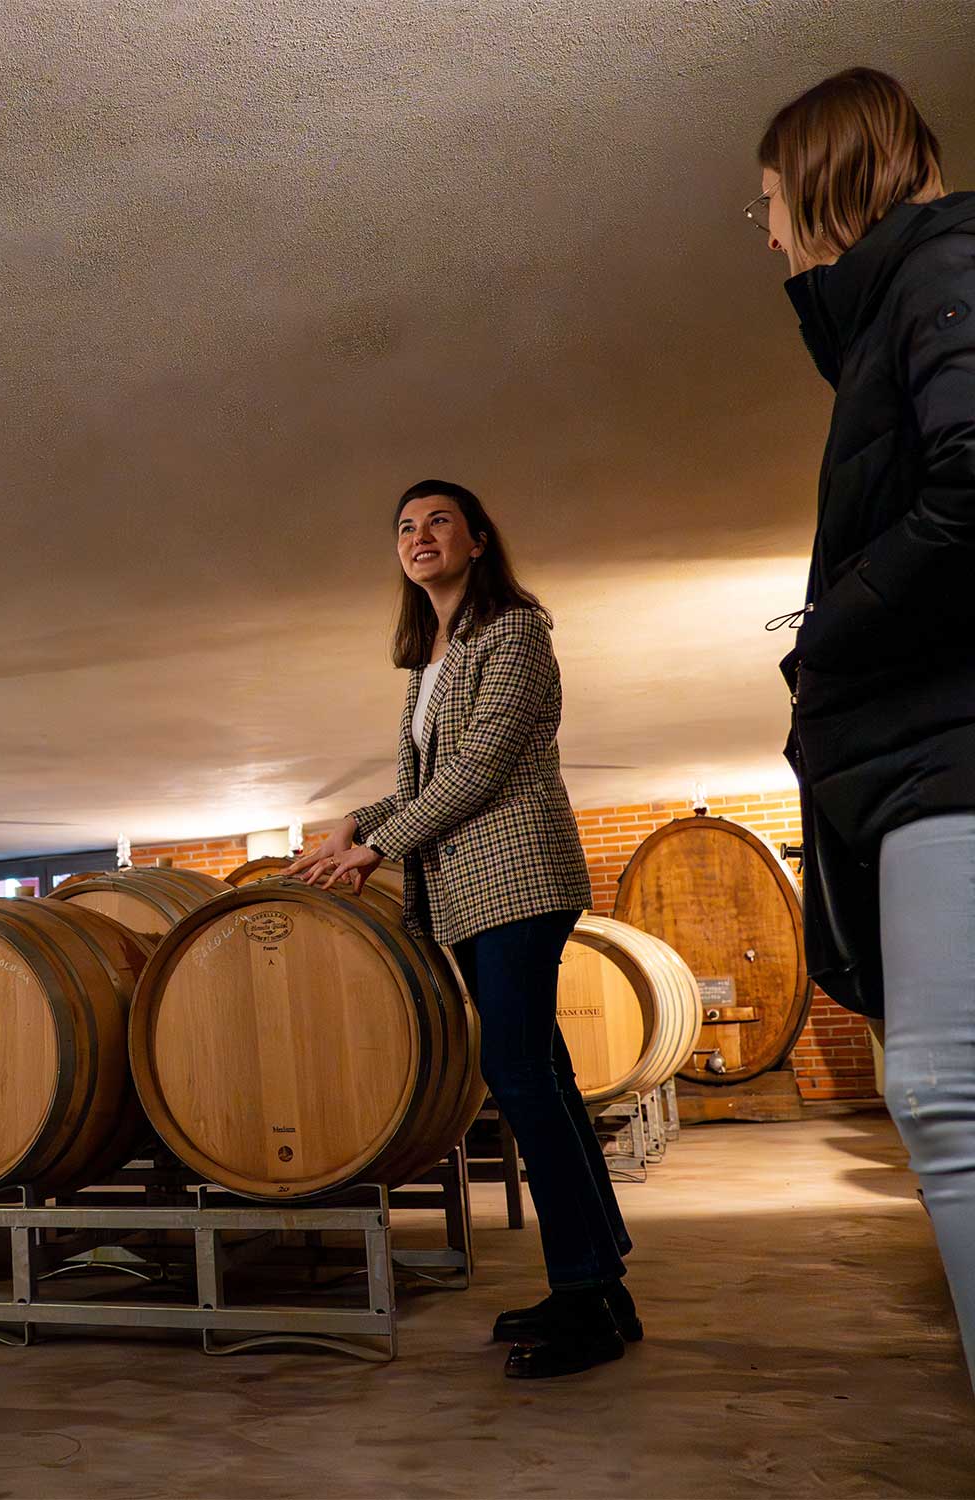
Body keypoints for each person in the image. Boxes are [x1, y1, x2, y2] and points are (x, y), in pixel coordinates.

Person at [285, 479, 642, 1378]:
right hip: (473, 890)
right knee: (544, 1078)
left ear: (479, 539)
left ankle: (583, 1297)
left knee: (518, 1075)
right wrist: (355, 823)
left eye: (438, 520)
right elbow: (419, 782)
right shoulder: (427, 660)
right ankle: (602, 1290)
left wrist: (381, 849)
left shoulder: (514, 630)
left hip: (519, 876)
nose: (419, 536)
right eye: (405, 527)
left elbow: (482, 766)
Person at [750, 67, 975, 1390]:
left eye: (770, 205)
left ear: (830, 181)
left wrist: (827, 630)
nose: (768, 238)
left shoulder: (946, 264)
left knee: (951, 1101)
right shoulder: (918, 291)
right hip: (933, 751)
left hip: (949, 756)